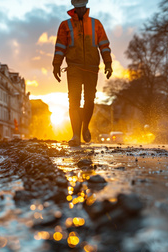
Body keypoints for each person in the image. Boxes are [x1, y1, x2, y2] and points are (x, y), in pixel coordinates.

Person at [52, 0, 113, 147]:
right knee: (74, 100)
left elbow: (104, 45)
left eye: (82, 7)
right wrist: (56, 65)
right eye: (77, 7)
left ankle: (85, 126)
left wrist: (108, 63)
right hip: (74, 67)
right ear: (74, 6)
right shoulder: (65, 25)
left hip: (92, 68)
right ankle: (75, 135)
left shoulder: (95, 24)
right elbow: (60, 46)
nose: (80, 10)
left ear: (85, 6)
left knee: (89, 100)